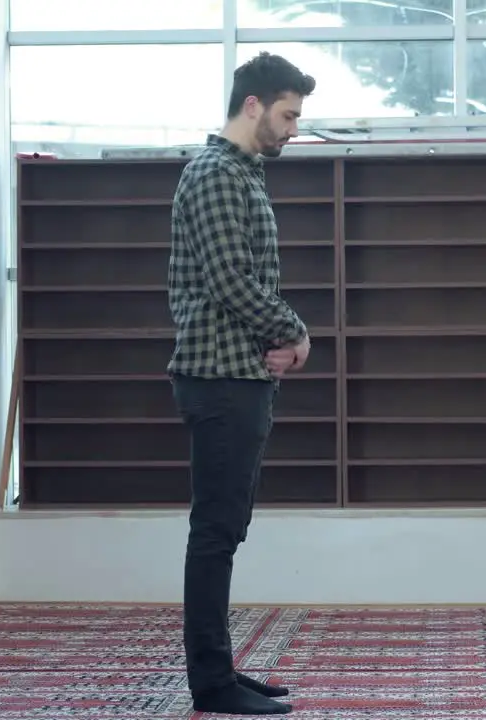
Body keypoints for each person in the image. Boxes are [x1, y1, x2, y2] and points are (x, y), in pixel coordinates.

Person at [166, 52, 315, 715]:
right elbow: (232, 283)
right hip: (221, 378)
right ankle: (212, 684)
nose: (292, 130)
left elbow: (240, 284)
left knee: (223, 530)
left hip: (237, 373)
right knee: (215, 533)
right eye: (287, 115)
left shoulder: (239, 174)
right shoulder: (217, 175)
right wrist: (295, 333)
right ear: (252, 105)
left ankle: (220, 673)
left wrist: (276, 344)